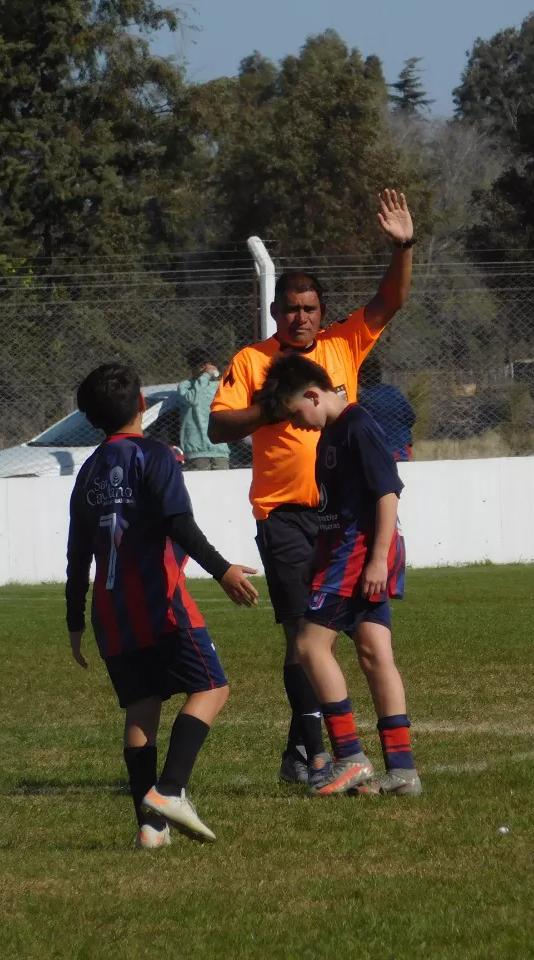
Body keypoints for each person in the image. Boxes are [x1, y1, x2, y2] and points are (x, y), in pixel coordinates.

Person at [209, 189, 416, 786]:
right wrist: (271, 408)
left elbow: (390, 299)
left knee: (340, 642)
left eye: (310, 308)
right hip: (285, 516)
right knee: (303, 636)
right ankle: (315, 752)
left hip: (347, 524)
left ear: (323, 313)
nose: (300, 317)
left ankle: (340, 756)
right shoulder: (253, 361)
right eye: (290, 309)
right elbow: (220, 427)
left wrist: (403, 246)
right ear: (275, 312)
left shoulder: (343, 345)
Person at [65, 363, 260, 849]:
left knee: (141, 706)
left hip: (112, 613)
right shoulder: (154, 455)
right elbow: (179, 524)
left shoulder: (87, 473)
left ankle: (150, 829)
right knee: (212, 687)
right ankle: (170, 790)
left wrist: (74, 620)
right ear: (141, 405)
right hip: (161, 603)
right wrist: (223, 570)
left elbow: (77, 556)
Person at [259, 353, 419, 797]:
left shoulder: (357, 425)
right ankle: (403, 771)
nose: (296, 424)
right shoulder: (331, 433)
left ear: (313, 395)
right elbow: (336, 508)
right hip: (342, 553)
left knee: (309, 646)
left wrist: (378, 558)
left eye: (295, 414)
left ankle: (350, 757)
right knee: (374, 652)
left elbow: (387, 493)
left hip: (358, 554)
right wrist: (317, 558)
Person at [178, 349, 231, 470]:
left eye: (206, 365)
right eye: (201, 365)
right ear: (192, 367)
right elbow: (192, 399)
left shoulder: (218, 386)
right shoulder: (185, 386)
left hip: (219, 449)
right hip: (197, 449)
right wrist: (205, 376)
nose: (204, 368)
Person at [357, 354, 417, 461]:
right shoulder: (394, 391)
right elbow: (411, 418)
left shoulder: (363, 398)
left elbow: (362, 427)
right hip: (401, 447)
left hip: (378, 449)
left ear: (362, 377)